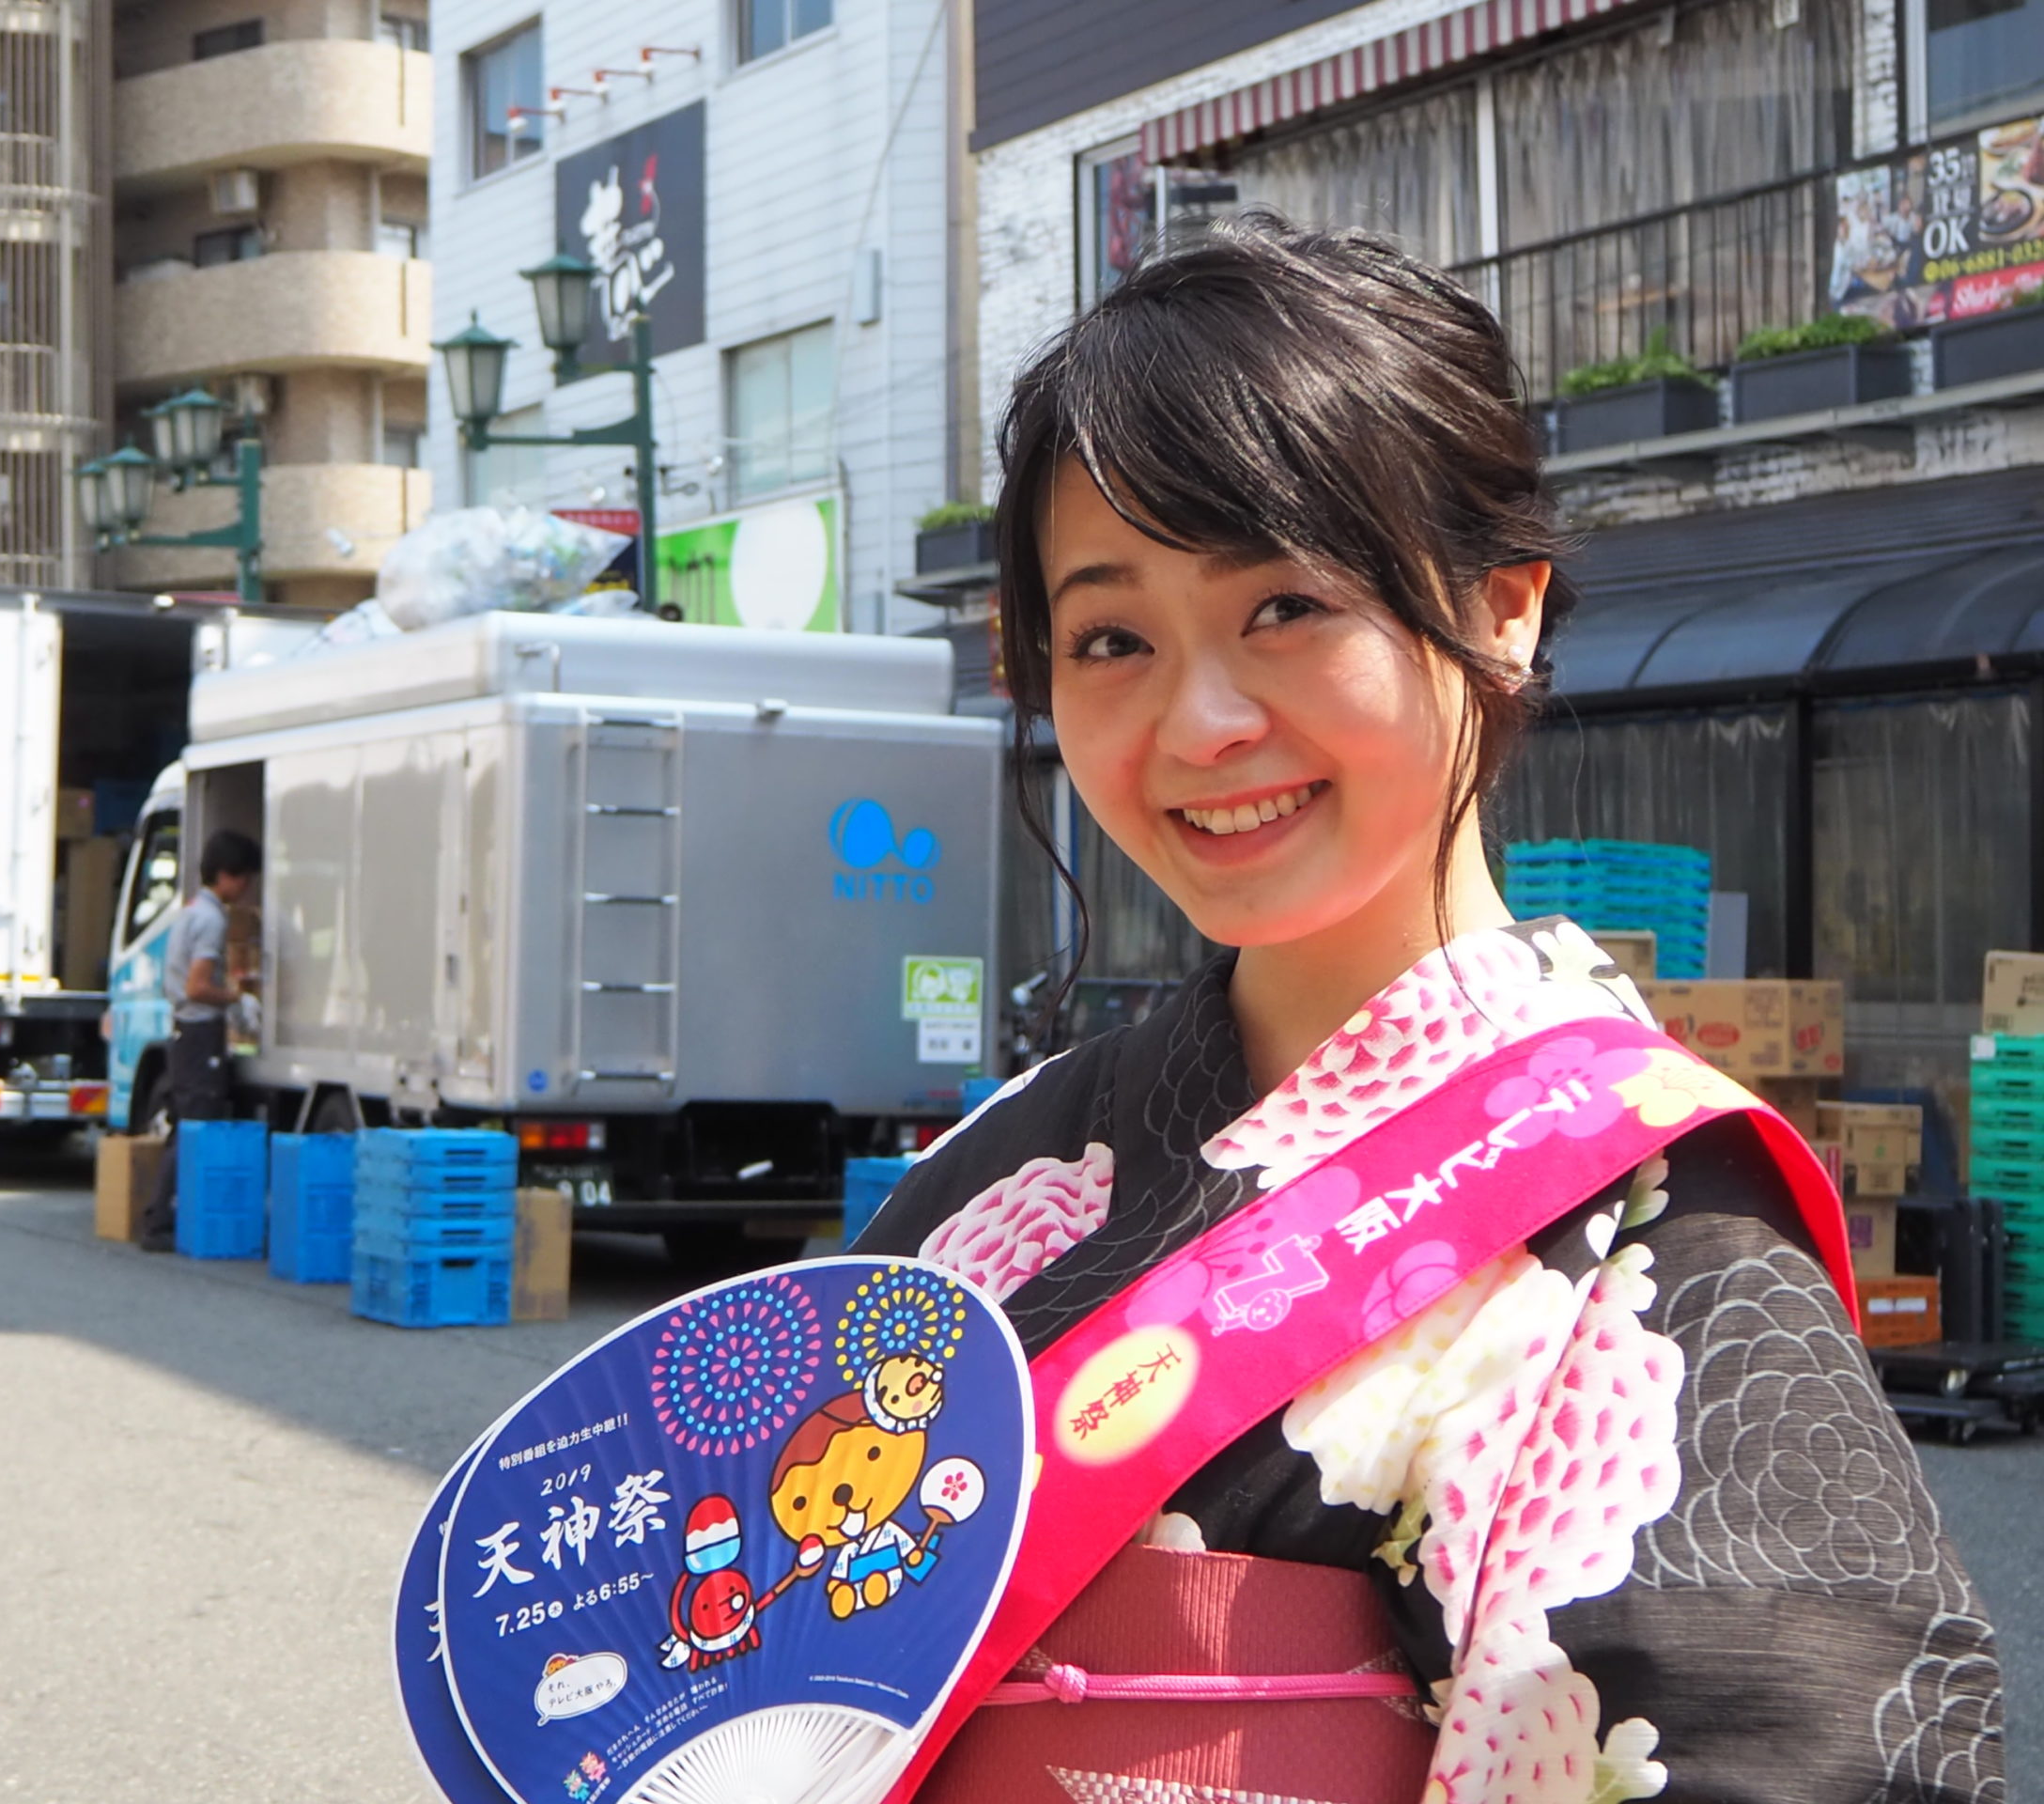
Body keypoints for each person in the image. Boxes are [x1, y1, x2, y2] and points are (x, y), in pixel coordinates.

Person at [856, 219, 2002, 1799]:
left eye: (1288, 606)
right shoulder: (999, 1177)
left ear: (1505, 607)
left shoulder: (1658, 1227)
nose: (1200, 723)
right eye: (1112, 637)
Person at [139, 829, 260, 1252]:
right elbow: (197, 986)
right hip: (199, 1031)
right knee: (197, 1126)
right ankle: (161, 1221)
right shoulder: (211, 920)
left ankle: (163, 1217)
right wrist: (237, 998)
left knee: (184, 1126)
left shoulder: (189, 912)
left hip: (181, 1030)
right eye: (244, 878)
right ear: (227, 875)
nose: (246, 887)